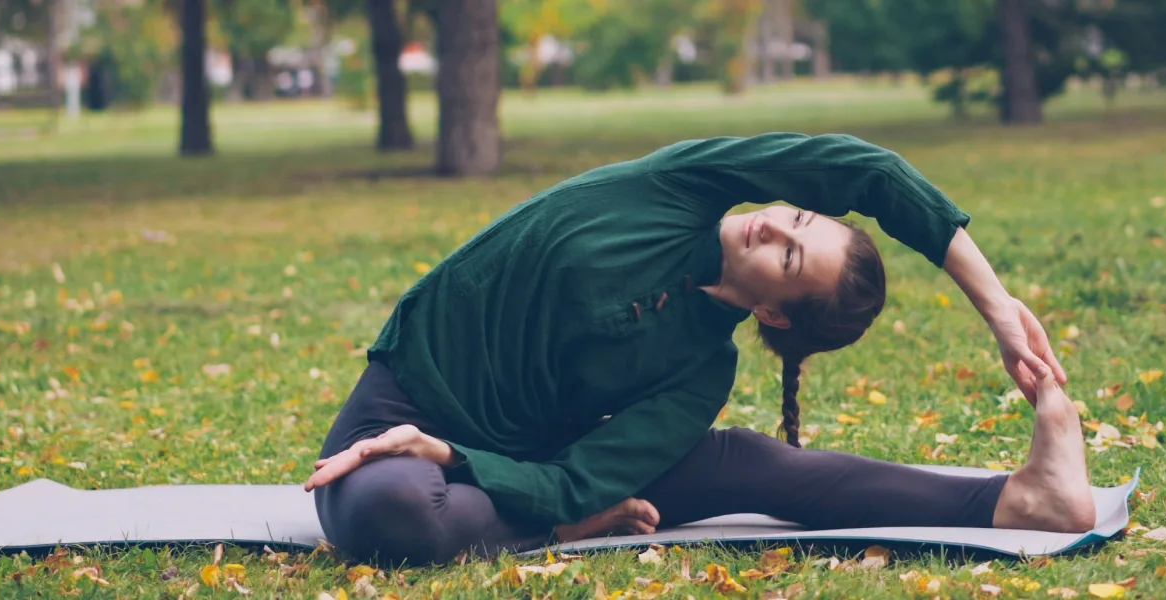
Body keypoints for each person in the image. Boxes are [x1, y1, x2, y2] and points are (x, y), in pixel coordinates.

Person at [302, 133, 1095, 566]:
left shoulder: (700, 371)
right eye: (802, 221)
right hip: (405, 400)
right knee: (386, 504)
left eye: (789, 259)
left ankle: (1023, 501)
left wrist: (456, 457)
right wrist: (996, 307)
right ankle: (561, 529)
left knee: (750, 466)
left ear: (774, 318)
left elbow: (578, 473)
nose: (776, 226)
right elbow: (873, 170)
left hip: (515, 461)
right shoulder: (682, 184)